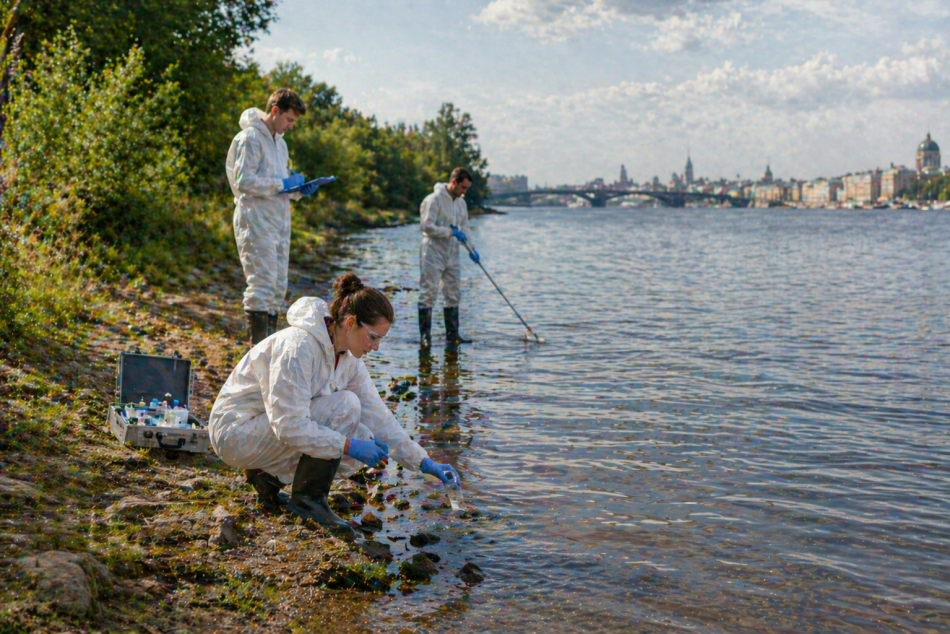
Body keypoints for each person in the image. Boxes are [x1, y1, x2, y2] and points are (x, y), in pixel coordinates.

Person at [208, 273, 460, 534]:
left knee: (364, 433)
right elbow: (289, 425)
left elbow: (378, 416)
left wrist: (423, 462)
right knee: (346, 408)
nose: (375, 347)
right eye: (373, 337)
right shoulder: (298, 347)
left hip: (264, 430)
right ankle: (307, 502)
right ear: (350, 323)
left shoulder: (348, 357)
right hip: (235, 433)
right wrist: (347, 445)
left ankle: (267, 479)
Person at [226, 88, 324, 346]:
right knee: (262, 285)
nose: (291, 126)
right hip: (254, 219)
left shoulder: (280, 143)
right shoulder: (249, 138)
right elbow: (244, 181)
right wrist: (282, 184)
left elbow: (279, 184)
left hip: (279, 220)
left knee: (278, 287)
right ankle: (256, 352)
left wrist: (298, 189)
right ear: (274, 110)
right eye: (289, 119)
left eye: (294, 122)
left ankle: (267, 351)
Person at [418, 167, 481, 348]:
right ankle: (425, 337)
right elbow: (426, 226)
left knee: (453, 292)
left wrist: (471, 249)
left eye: (467, 188)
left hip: (452, 253)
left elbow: (465, 228)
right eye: (463, 187)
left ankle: (453, 335)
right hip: (432, 251)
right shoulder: (434, 199)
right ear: (454, 182)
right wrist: (450, 232)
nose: (464, 192)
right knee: (428, 292)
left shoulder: (461, 204)